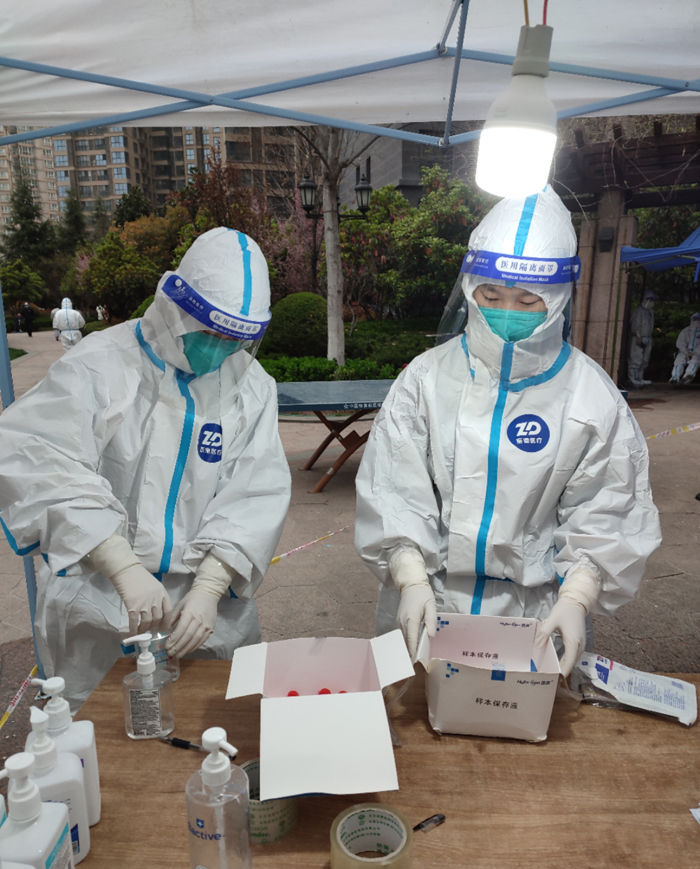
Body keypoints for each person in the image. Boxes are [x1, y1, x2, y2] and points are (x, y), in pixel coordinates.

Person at [355, 186, 661, 677]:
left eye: (527, 300)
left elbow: (607, 505)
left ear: (557, 299)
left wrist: (579, 593)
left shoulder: (590, 395)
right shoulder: (425, 380)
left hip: (537, 616)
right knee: (417, 722)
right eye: (491, 296)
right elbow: (393, 487)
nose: (506, 311)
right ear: (471, 288)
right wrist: (409, 576)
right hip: (432, 604)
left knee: (524, 724)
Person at [0, 228, 291, 710]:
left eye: (234, 338)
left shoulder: (250, 385)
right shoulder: (99, 364)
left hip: (203, 611)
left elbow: (256, 490)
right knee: (96, 730)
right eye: (210, 331)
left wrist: (211, 585)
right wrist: (120, 563)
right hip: (98, 595)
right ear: (177, 309)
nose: (220, 348)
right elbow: (37, 457)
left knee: (214, 727)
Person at [627, 289, 657, 388]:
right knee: (635, 359)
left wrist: (650, 338)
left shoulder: (650, 312)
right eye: (651, 300)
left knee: (644, 360)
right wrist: (638, 335)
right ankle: (633, 379)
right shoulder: (638, 311)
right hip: (638, 338)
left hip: (647, 338)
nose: (652, 302)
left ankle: (640, 378)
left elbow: (650, 326)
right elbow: (634, 324)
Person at [670, 312, 700, 385]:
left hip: (697, 352)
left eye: (699, 320)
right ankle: (674, 378)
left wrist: (695, 352)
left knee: (695, 361)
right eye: (695, 319)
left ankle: (688, 376)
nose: (697, 321)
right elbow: (681, 342)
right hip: (684, 351)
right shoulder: (686, 331)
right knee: (679, 360)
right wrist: (685, 352)